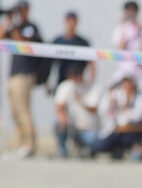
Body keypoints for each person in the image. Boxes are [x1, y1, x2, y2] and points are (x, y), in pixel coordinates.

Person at [4, 0, 43, 159]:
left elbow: (23, 43)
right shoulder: (14, 26)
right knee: (14, 111)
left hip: (25, 74)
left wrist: (14, 27)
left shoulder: (30, 27)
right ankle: (21, 144)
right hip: (13, 75)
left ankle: (29, 145)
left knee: (23, 111)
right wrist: (8, 22)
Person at [53, 67, 100, 158]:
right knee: (57, 123)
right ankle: (63, 151)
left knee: (95, 142)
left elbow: (94, 108)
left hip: (89, 129)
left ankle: (85, 149)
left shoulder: (92, 86)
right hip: (72, 128)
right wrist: (63, 118)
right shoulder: (67, 86)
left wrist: (80, 100)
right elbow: (59, 106)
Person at [51, 11, 93, 88]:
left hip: (78, 83)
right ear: (65, 22)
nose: (71, 23)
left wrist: (89, 83)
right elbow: (50, 63)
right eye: (69, 21)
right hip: (61, 81)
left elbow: (91, 64)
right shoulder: (57, 41)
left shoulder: (83, 42)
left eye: (73, 21)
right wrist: (48, 82)